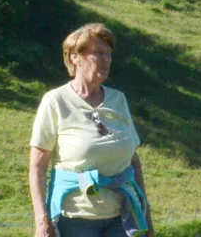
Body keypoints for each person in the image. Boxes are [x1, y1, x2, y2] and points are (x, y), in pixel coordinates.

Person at [29, 23, 151, 237]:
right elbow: (37, 167)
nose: (107, 60)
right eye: (99, 53)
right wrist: (42, 222)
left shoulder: (118, 99)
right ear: (75, 57)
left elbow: (134, 162)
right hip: (75, 220)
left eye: (109, 54)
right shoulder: (56, 101)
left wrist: (146, 217)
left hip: (121, 219)